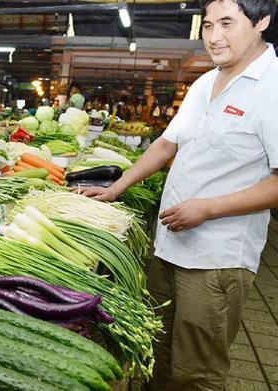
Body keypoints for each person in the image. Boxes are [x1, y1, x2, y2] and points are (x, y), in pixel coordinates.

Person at [77, 0, 278, 389]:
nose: (214, 37)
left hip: (216, 259)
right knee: (160, 352)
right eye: (207, 25)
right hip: (169, 246)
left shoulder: (273, 87)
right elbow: (167, 144)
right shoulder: (206, 82)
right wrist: (116, 188)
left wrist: (208, 209)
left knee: (196, 372)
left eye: (226, 23)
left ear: (262, 21)